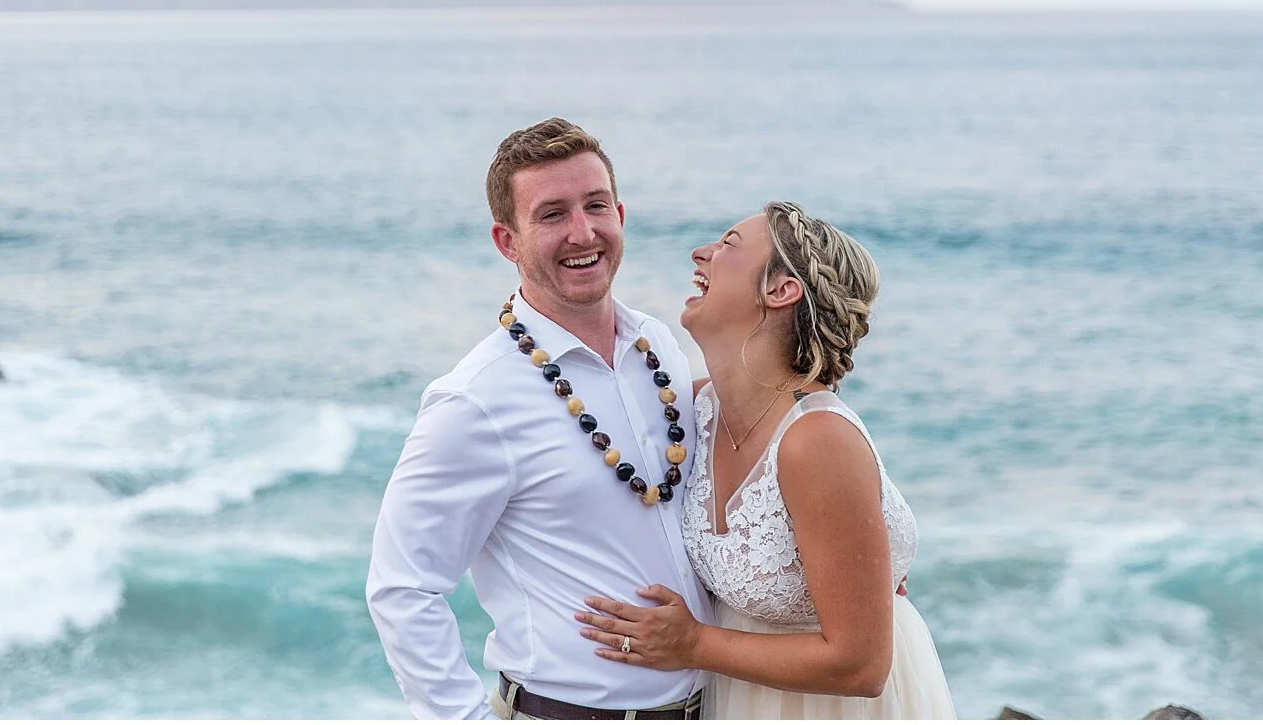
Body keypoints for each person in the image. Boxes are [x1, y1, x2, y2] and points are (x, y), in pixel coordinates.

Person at [366, 117, 712, 720]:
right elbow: (402, 587)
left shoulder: (657, 346)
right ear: (508, 242)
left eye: (595, 205)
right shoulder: (475, 399)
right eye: (552, 215)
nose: (583, 232)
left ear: (620, 215)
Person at [573, 202, 957, 718]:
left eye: (727, 245)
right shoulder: (694, 412)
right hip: (743, 695)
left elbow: (862, 666)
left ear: (780, 290)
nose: (700, 253)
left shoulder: (817, 440)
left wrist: (694, 644)